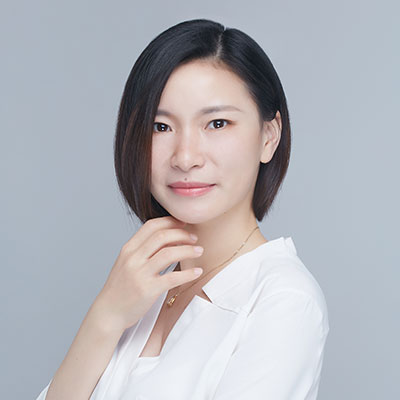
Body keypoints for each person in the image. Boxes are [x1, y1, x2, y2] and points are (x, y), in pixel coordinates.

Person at [35, 18, 329, 400]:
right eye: (161, 127)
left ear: (269, 137)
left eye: (217, 123)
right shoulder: (141, 289)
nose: (185, 157)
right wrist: (104, 316)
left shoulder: (283, 300)